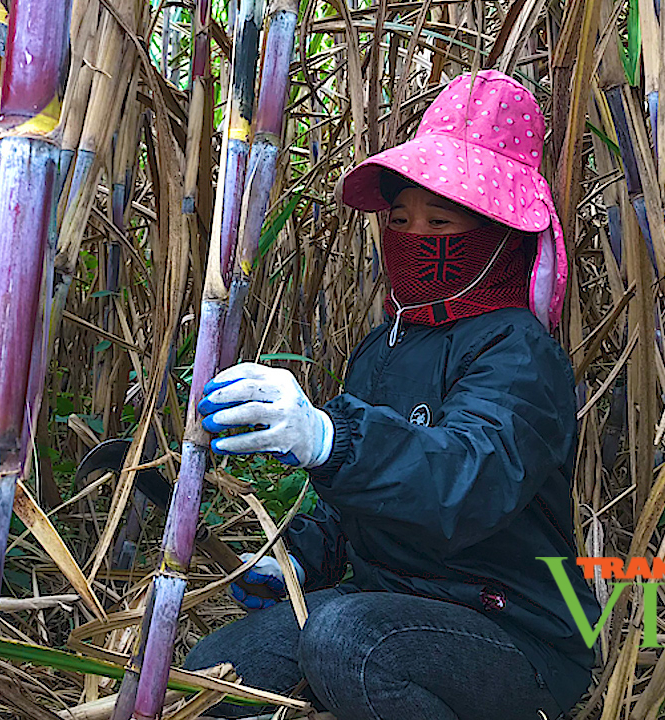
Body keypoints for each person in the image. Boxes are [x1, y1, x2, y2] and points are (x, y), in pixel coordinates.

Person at [183, 70, 602, 720]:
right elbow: (357, 511)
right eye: (400, 220)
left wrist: (329, 438)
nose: (414, 238)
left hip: (512, 633)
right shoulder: (384, 348)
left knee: (349, 643)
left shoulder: (520, 355)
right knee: (207, 680)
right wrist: (296, 557)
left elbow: (465, 482)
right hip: (391, 609)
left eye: (441, 222)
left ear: (500, 237)